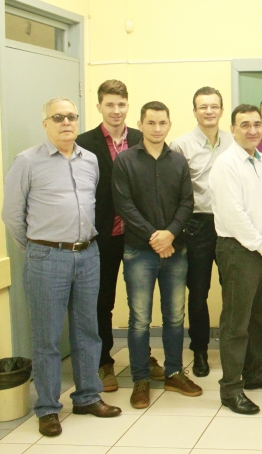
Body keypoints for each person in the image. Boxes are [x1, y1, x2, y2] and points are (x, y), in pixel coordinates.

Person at [2, 97, 122, 437]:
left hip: (88, 255)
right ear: (46, 124)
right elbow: (12, 214)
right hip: (47, 257)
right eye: (58, 117)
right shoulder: (27, 161)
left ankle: (87, 397)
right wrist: (38, 247)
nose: (66, 122)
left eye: (71, 116)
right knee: (48, 338)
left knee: (88, 332)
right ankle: (48, 407)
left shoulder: (90, 160)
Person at [112, 101, 201, 409]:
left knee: (175, 317)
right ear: (140, 124)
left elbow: (187, 203)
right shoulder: (125, 160)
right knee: (139, 320)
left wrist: (170, 234)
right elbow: (124, 205)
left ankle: (174, 373)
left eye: (162, 123)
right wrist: (155, 237)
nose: (157, 128)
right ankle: (141, 379)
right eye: (151, 123)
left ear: (169, 125)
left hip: (175, 250)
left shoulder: (178, 161)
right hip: (139, 252)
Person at [210, 104, 262, 415]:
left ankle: (256, 372)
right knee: (236, 323)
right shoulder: (226, 164)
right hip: (239, 251)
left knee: (259, 317)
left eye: (257, 124)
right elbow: (233, 215)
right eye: (245, 125)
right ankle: (231, 389)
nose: (253, 130)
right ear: (232, 129)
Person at [75, 80, 155, 392]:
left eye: (121, 104)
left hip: (137, 235)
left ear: (127, 105)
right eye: (110, 104)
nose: (116, 110)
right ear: (99, 106)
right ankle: (103, 361)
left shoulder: (140, 138)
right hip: (103, 236)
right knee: (102, 301)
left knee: (141, 302)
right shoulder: (84, 143)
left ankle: (143, 356)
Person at [169, 86, 233, 378]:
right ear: (195, 111)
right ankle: (200, 351)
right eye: (203, 106)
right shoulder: (180, 146)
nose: (209, 111)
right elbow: (173, 191)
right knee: (198, 293)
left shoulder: (233, 142)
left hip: (229, 225)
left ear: (221, 110)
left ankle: (234, 350)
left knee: (234, 291)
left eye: (214, 106)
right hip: (197, 225)